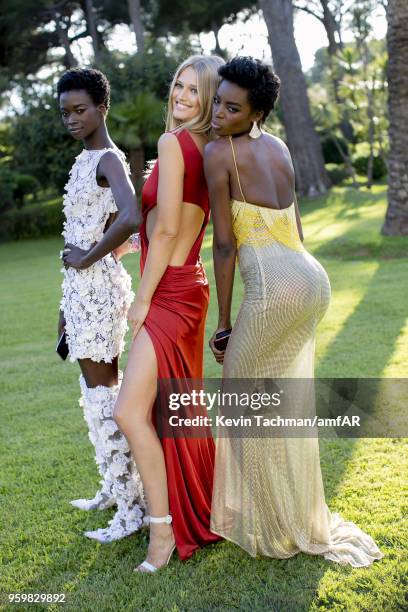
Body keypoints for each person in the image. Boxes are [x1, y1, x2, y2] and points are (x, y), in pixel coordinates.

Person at [204, 56, 383, 567]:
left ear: (255, 112)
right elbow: (296, 229)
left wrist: (224, 321)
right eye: (218, 101)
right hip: (312, 279)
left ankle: (276, 521)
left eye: (232, 108)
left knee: (240, 404)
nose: (219, 113)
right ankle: (284, 509)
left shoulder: (220, 154)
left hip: (277, 287)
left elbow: (223, 244)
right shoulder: (279, 147)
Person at [113, 55, 224, 572]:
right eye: (178, 86)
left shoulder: (173, 144)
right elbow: (176, 221)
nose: (180, 96)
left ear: (209, 100)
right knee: (177, 411)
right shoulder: (209, 148)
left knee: (130, 412)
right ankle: (193, 511)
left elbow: (168, 232)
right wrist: (134, 243)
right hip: (189, 283)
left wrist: (142, 298)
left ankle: (164, 533)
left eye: (194, 91)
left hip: (170, 292)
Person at [58, 68, 146, 542]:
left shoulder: (108, 159)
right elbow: (91, 230)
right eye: (66, 112)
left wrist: (88, 258)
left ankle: (132, 510)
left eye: (80, 110)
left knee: (103, 395)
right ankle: (114, 488)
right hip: (79, 292)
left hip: (98, 290)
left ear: (101, 108)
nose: (72, 119)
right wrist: (64, 305)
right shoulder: (83, 160)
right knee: (95, 394)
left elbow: (131, 217)